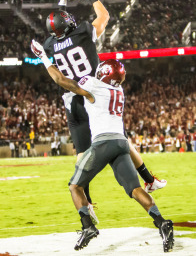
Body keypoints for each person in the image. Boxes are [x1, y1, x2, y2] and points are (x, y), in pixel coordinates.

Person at [31, 0, 166, 222]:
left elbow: (60, 35)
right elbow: (103, 17)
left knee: (82, 153)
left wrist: (62, 4)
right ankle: (148, 179)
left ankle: (88, 202)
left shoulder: (50, 44)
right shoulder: (82, 31)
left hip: (72, 97)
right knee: (120, 138)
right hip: (95, 93)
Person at [28, 54, 174, 252]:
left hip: (103, 143)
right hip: (121, 143)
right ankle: (162, 223)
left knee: (75, 187)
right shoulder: (119, 89)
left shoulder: (93, 84)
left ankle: (88, 227)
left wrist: (44, 59)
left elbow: (61, 80)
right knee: (134, 189)